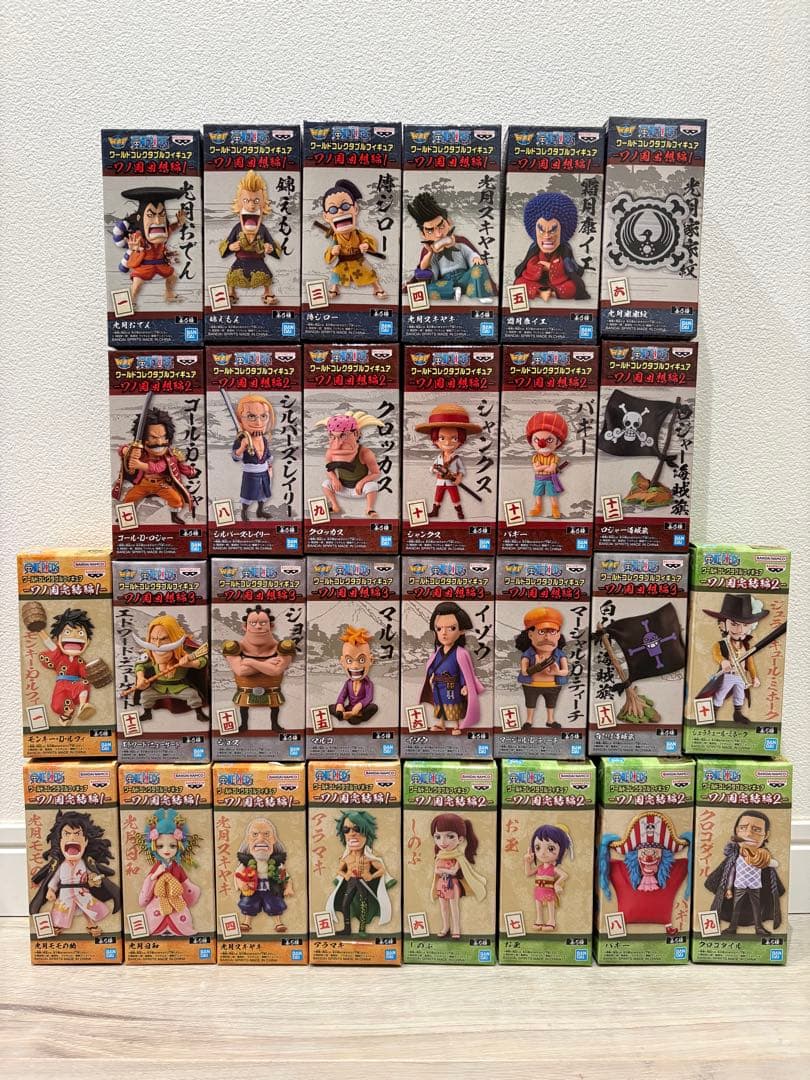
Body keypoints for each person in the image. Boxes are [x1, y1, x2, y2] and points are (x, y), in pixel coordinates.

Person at [29, 810, 120, 936]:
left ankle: (92, 925)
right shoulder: (61, 865)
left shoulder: (86, 863)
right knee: (61, 910)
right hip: (65, 893)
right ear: (60, 841)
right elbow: (55, 879)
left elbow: (93, 874)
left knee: (87, 909)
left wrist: (95, 878)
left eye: (78, 834)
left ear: (86, 841)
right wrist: (50, 890)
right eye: (66, 834)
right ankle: (58, 927)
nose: (72, 837)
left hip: (82, 892)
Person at [705, 811, 785, 935]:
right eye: (743, 828)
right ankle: (732, 927)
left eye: (756, 830)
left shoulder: (763, 856)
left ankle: (759, 927)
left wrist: (766, 861)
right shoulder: (735, 856)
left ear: (766, 835)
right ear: (736, 831)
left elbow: (774, 866)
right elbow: (730, 873)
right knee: (736, 907)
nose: (748, 834)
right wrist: (728, 888)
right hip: (739, 885)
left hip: (755, 886)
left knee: (756, 907)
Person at [406, 192, 495, 302]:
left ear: (449, 222)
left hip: (464, 277)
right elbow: (427, 269)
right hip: (446, 282)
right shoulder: (433, 254)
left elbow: (470, 254)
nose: (438, 234)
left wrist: (475, 258)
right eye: (430, 231)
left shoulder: (460, 244)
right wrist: (430, 252)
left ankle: (481, 294)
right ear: (423, 234)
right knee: (424, 290)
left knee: (479, 268)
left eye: (441, 226)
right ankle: (453, 291)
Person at [117, 407, 197, 524]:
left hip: (161, 485)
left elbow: (159, 467)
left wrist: (140, 465)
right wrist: (127, 451)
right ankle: (124, 517)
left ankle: (174, 516)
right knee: (129, 498)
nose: (159, 442)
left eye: (163, 437)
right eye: (154, 437)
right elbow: (122, 449)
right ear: (144, 438)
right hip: (143, 484)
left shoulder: (168, 455)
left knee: (176, 500)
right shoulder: (139, 450)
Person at [222, 606, 296, 732]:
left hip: (272, 688)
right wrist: (266, 663)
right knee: (244, 707)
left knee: (274, 707)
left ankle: (275, 725)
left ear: (271, 626)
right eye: (252, 623)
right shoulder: (234, 647)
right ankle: (243, 725)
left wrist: (250, 662)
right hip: (245, 689)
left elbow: (276, 671)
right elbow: (240, 671)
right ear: (245, 626)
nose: (258, 627)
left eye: (263, 623)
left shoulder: (283, 647)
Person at [112, 185, 186, 307]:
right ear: (140, 218)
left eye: (161, 215)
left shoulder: (163, 232)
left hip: (161, 264)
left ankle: (169, 294)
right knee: (137, 285)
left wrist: (179, 223)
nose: (158, 221)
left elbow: (171, 228)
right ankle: (130, 302)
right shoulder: (138, 235)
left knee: (173, 277)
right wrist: (133, 248)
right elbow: (131, 244)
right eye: (151, 215)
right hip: (144, 265)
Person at [419, 601, 485, 735]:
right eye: (439, 629)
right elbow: (432, 666)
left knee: (453, 704)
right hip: (438, 684)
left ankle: (456, 725)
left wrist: (464, 685)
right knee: (440, 703)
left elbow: (464, 672)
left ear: (461, 630)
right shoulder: (437, 652)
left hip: (452, 685)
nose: (444, 633)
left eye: (451, 628)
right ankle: (441, 724)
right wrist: (430, 675)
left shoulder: (461, 653)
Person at [325, 811, 395, 935]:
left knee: (364, 904)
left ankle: (362, 929)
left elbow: (382, 870)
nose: (352, 833)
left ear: (366, 833)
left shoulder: (368, 857)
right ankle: (347, 928)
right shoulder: (346, 857)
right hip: (352, 881)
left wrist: (371, 876)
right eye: (346, 830)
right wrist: (345, 875)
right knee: (345, 903)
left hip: (363, 882)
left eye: (356, 829)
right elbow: (339, 870)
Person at [513, 191, 588, 302]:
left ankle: (551, 292)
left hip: (559, 282)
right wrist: (539, 267)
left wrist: (551, 267)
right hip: (536, 281)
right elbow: (529, 265)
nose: (547, 236)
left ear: (562, 231)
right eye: (541, 231)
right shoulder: (534, 248)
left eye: (553, 231)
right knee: (519, 283)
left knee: (572, 286)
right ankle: (541, 291)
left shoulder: (564, 249)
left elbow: (568, 268)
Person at [133, 614, 208, 724]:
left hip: (179, 686)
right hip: (159, 687)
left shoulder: (183, 653)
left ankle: (199, 713)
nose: (157, 644)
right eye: (154, 639)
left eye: (164, 638)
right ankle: (147, 713)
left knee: (192, 695)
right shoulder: (152, 654)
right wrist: (140, 678)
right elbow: (140, 665)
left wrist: (190, 663)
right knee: (145, 695)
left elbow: (202, 661)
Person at [137, 808, 201, 937]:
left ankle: (174, 929)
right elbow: (149, 881)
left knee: (180, 915)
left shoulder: (177, 866)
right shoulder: (157, 866)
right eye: (160, 846)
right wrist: (156, 875)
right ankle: (160, 929)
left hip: (175, 897)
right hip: (159, 898)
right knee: (155, 915)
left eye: (172, 846)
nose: (166, 850)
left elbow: (185, 882)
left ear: (179, 846)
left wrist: (192, 889)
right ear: (154, 846)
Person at [219, 170, 279, 305]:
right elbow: (227, 243)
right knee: (232, 276)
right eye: (246, 201)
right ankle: (232, 292)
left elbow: (272, 244)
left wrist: (269, 248)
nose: (251, 206)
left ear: (263, 204)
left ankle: (267, 292)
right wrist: (231, 247)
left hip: (258, 260)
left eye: (256, 201)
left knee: (266, 277)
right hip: (240, 261)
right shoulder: (237, 228)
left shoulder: (262, 229)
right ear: (239, 204)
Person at [320, 179, 387, 299]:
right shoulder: (335, 237)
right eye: (333, 209)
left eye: (345, 206)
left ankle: (377, 288)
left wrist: (366, 244)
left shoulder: (357, 233)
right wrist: (333, 251)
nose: (340, 211)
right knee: (336, 273)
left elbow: (368, 239)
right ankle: (334, 288)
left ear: (355, 209)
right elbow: (329, 251)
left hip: (359, 259)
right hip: (343, 261)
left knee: (370, 272)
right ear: (326, 216)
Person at [414, 404, 482, 521]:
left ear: (460, 441)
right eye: (442, 438)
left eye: (454, 438)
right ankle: (435, 511)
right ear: (435, 440)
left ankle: (459, 511)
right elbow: (432, 469)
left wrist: (458, 478)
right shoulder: (439, 458)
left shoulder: (456, 458)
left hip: (451, 481)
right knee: (438, 496)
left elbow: (461, 470)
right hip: (440, 481)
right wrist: (434, 469)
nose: (447, 443)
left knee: (455, 497)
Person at [316, 411, 384, 517]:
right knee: (326, 483)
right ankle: (335, 506)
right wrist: (334, 479)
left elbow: (376, 473)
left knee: (372, 486)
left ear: (356, 434)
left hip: (360, 490)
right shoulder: (330, 452)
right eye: (332, 436)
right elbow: (329, 469)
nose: (337, 445)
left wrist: (361, 483)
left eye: (343, 436)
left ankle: (369, 509)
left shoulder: (365, 453)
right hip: (341, 488)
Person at [430, 813, 487, 939]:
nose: (443, 842)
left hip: (452, 884)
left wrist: (443, 870)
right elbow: (436, 871)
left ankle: (456, 928)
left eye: (450, 836)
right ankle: (445, 927)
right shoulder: (439, 856)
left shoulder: (459, 857)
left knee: (454, 907)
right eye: (438, 837)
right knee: (443, 908)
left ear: (460, 839)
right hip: (441, 884)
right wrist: (445, 870)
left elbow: (453, 871)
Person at [37, 608, 96, 723]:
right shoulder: (59, 655)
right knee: (58, 704)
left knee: (84, 683)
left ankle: (83, 706)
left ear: (87, 641)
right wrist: (39, 630)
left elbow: (85, 673)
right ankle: (65, 715)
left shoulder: (79, 661)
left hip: (75, 684)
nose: (74, 637)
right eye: (67, 632)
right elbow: (49, 643)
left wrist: (93, 672)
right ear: (58, 638)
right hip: (61, 685)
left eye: (80, 633)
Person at [234, 817, 292, 933]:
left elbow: (285, 876)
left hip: (271, 888)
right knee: (249, 904)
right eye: (255, 834)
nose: (260, 839)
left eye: (266, 834)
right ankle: (246, 922)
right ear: (248, 840)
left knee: (274, 904)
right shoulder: (246, 862)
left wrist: (288, 887)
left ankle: (278, 923)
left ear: (274, 839)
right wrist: (242, 884)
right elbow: (237, 874)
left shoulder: (276, 863)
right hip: (252, 888)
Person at [515, 607, 569, 729]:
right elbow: (524, 672)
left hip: (553, 685)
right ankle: (529, 720)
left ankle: (550, 720)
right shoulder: (528, 655)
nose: (547, 637)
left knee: (551, 704)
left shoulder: (560, 655)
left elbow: (566, 671)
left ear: (558, 635)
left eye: (552, 632)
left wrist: (557, 672)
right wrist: (537, 667)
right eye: (541, 632)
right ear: (530, 634)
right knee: (530, 703)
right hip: (531, 685)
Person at [231, 394, 275, 521]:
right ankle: (244, 512)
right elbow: (235, 457)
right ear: (240, 419)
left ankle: (260, 510)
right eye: (251, 416)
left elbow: (267, 454)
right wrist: (242, 447)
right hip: (251, 473)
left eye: (263, 416)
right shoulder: (242, 439)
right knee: (248, 493)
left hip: (264, 471)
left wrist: (269, 464)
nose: (259, 423)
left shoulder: (264, 440)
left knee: (263, 492)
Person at [524, 824, 572, 931]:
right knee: (538, 905)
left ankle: (551, 921)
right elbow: (528, 873)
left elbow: (565, 875)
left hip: (548, 890)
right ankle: (539, 920)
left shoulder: (553, 868)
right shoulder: (540, 867)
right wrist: (527, 862)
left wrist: (556, 884)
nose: (542, 853)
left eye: (550, 848)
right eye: (538, 847)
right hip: (538, 889)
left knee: (550, 905)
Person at [329, 626, 378, 725]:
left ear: (370, 660)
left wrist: (360, 705)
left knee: (373, 707)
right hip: (350, 707)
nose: (355, 666)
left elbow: (369, 698)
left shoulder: (368, 684)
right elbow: (342, 696)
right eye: (349, 660)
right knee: (331, 707)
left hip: (361, 709)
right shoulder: (348, 683)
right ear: (342, 662)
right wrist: (340, 705)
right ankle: (350, 715)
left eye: (361, 660)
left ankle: (352, 715)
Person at [525, 411, 568, 519]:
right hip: (539, 478)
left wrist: (543, 467)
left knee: (552, 494)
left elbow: (551, 469)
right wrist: (545, 467)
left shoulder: (554, 457)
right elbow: (536, 469)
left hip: (550, 479)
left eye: (549, 439)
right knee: (538, 494)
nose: (542, 444)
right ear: (532, 442)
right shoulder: (535, 457)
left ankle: (555, 508)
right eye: (537, 440)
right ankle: (538, 507)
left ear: (558, 442)